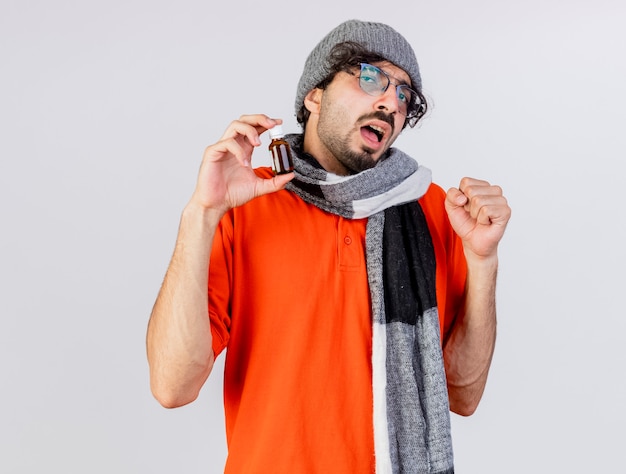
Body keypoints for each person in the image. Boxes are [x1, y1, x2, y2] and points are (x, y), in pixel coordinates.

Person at [146, 19, 511, 474]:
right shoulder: (244, 203)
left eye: (404, 95)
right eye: (371, 76)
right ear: (314, 95)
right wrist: (201, 213)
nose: (390, 102)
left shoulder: (433, 210)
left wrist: (483, 259)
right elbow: (171, 385)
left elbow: (463, 394)